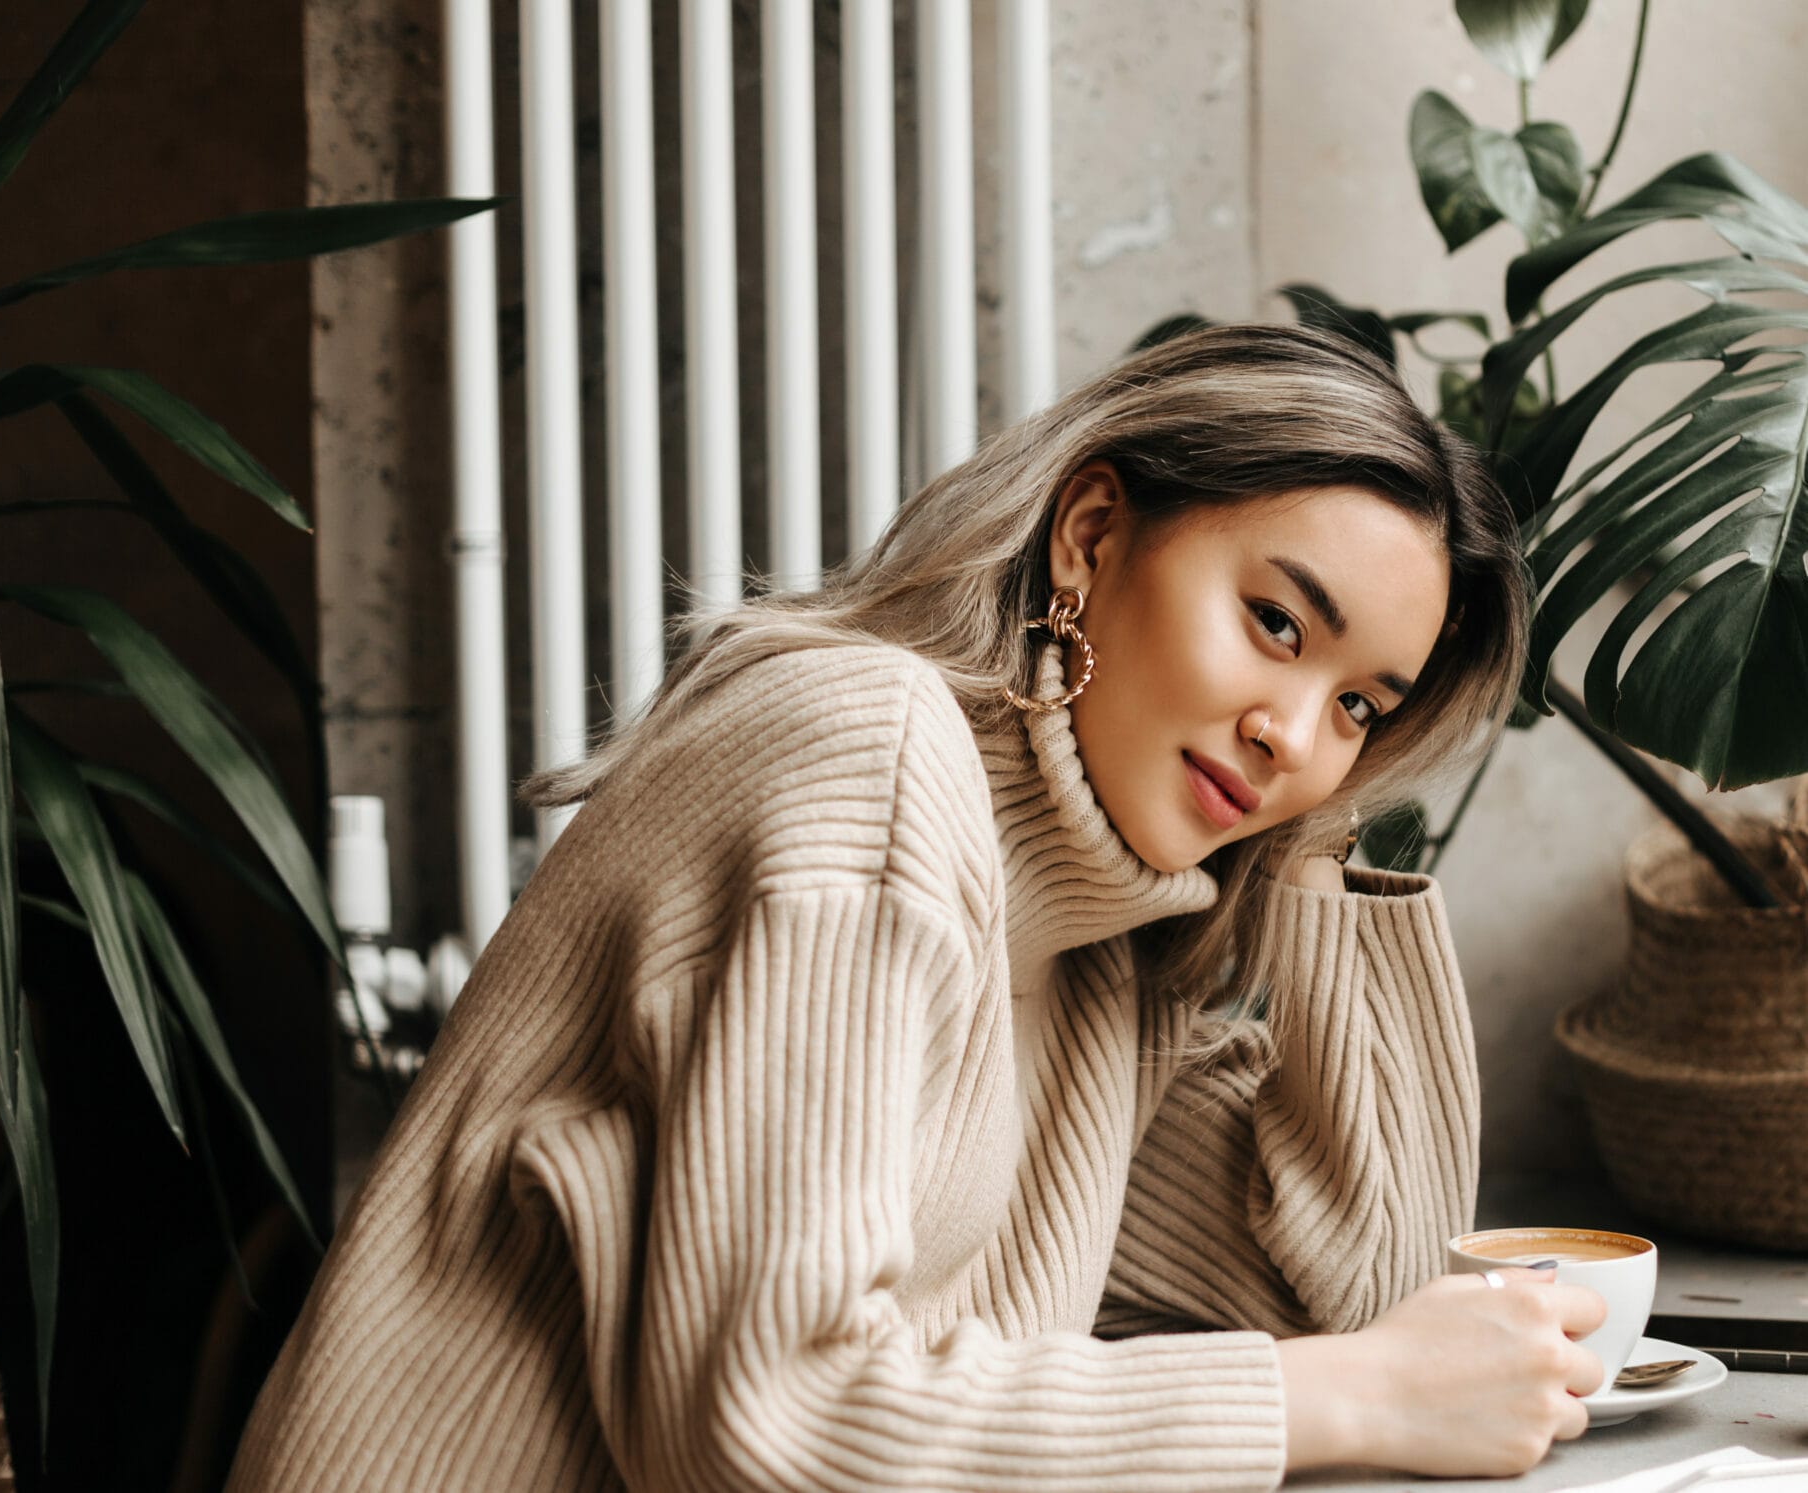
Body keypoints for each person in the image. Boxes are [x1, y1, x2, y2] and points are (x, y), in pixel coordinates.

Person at [229, 324, 1608, 1491]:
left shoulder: (1091, 952)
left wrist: (1313, 836)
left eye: (1359, 705)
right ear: (1089, 535)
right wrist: (1342, 1400)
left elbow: (1354, 1293)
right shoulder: (861, 749)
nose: (1290, 731)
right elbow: (770, 1420)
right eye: (1275, 624)